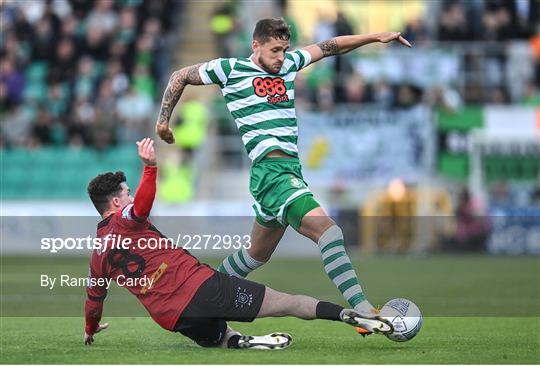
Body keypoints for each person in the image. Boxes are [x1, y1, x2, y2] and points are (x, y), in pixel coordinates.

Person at [154, 18, 411, 322]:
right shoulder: (231, 69)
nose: (280, 57)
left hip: (286, 172)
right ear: (256, 46)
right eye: (275, 50)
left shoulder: (289, 64)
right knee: (329, 231)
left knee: (256, 255)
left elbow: (330, 47)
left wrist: (375, 36)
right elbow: (179, 75)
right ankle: (364, 309)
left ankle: (203, 297)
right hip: (273, 173)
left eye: (284, 49)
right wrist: (163, 121)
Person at [84, 138, 392, 349]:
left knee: (219, 336)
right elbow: (143, 205)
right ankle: (349, 316)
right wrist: (150, 167)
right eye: (126, 192)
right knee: (286, 303)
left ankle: (237, 340)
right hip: (201, 288)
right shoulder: (126, 218)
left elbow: (94, 300)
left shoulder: (98, 252)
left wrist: (90, 328)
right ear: (114, 201)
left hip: (174, 318)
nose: (131, 194)